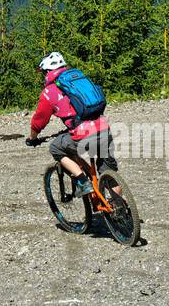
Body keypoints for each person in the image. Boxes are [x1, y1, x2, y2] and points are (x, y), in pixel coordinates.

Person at [25, 51, 117, 198]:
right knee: (109, 173)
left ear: (48, 71)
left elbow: (39, 120)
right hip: (104, 128)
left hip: (83, 134)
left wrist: (32, 137)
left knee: (56, 147)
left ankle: (83, 181)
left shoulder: (49, 91)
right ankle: (121, 209)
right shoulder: (78, 79)